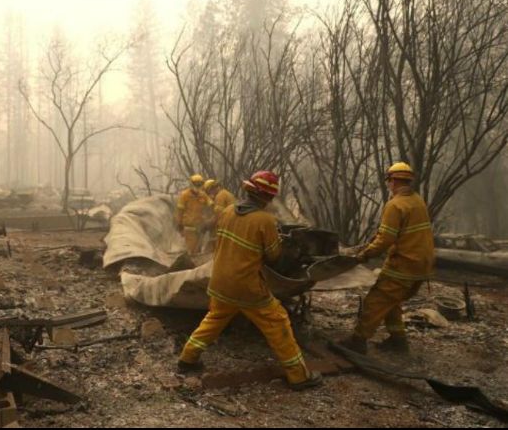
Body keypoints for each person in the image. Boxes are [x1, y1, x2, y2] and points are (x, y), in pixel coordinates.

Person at [177, 171, 323, 390]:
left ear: (248, 190)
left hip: (220, 281)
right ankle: (298, 376)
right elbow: (274, 255)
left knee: (214, 319)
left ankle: (187, 359)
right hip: (247, 287)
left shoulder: (226, 211)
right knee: (278, 321)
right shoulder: (265, 220)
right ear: (268, 197)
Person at [339, 162, 435, 355]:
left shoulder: (395, 204)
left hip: (404, 264)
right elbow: (393, 233)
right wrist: (373, 241)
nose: (388, 185)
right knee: (392, 301)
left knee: (376, 300)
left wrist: (363, 255)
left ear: (392, 181)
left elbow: (386, 239)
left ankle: (357, 341)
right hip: (423, 264)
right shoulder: (417, 201)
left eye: (389, 181)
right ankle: (398, 341)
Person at [175, 174, 213, 255]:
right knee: (191, 250)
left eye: (200, 184)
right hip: (189, 227)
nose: (198, 186)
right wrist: (179, 225)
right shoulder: (184, 195)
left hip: (200, 227)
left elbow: (211, 205)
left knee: (198, 250)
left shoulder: (203, 195)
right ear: (191, 184)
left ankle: (196, 265)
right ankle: (191, 264)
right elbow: (180, 211)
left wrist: (209, 219)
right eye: (196, 184)